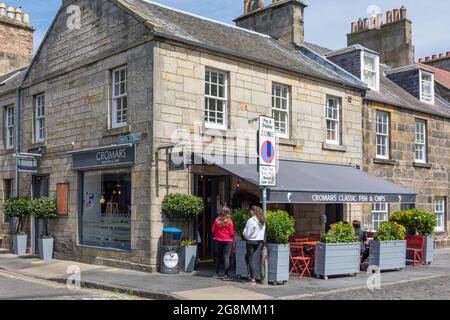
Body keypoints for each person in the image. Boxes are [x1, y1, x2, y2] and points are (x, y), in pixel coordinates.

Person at [243, 206, 266, 285]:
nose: (250, 212)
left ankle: (252, 279)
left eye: (251, 210)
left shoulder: (251, 220)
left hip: (250, 241)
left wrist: (244, 233)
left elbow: (247, 233)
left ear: (254, 211)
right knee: (247, 257)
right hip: (258, 242)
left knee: (250, 259)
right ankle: (250, 276)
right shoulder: (262, 220)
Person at [211, 207, 235, 281]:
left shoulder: (217, 220)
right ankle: (226, 275)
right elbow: (232, 233)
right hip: (227, 240)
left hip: (218, 239)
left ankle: (216, 273)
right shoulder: (229, 221)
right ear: (228, 213)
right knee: (226, 257)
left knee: (218, 256)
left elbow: (213, 230)